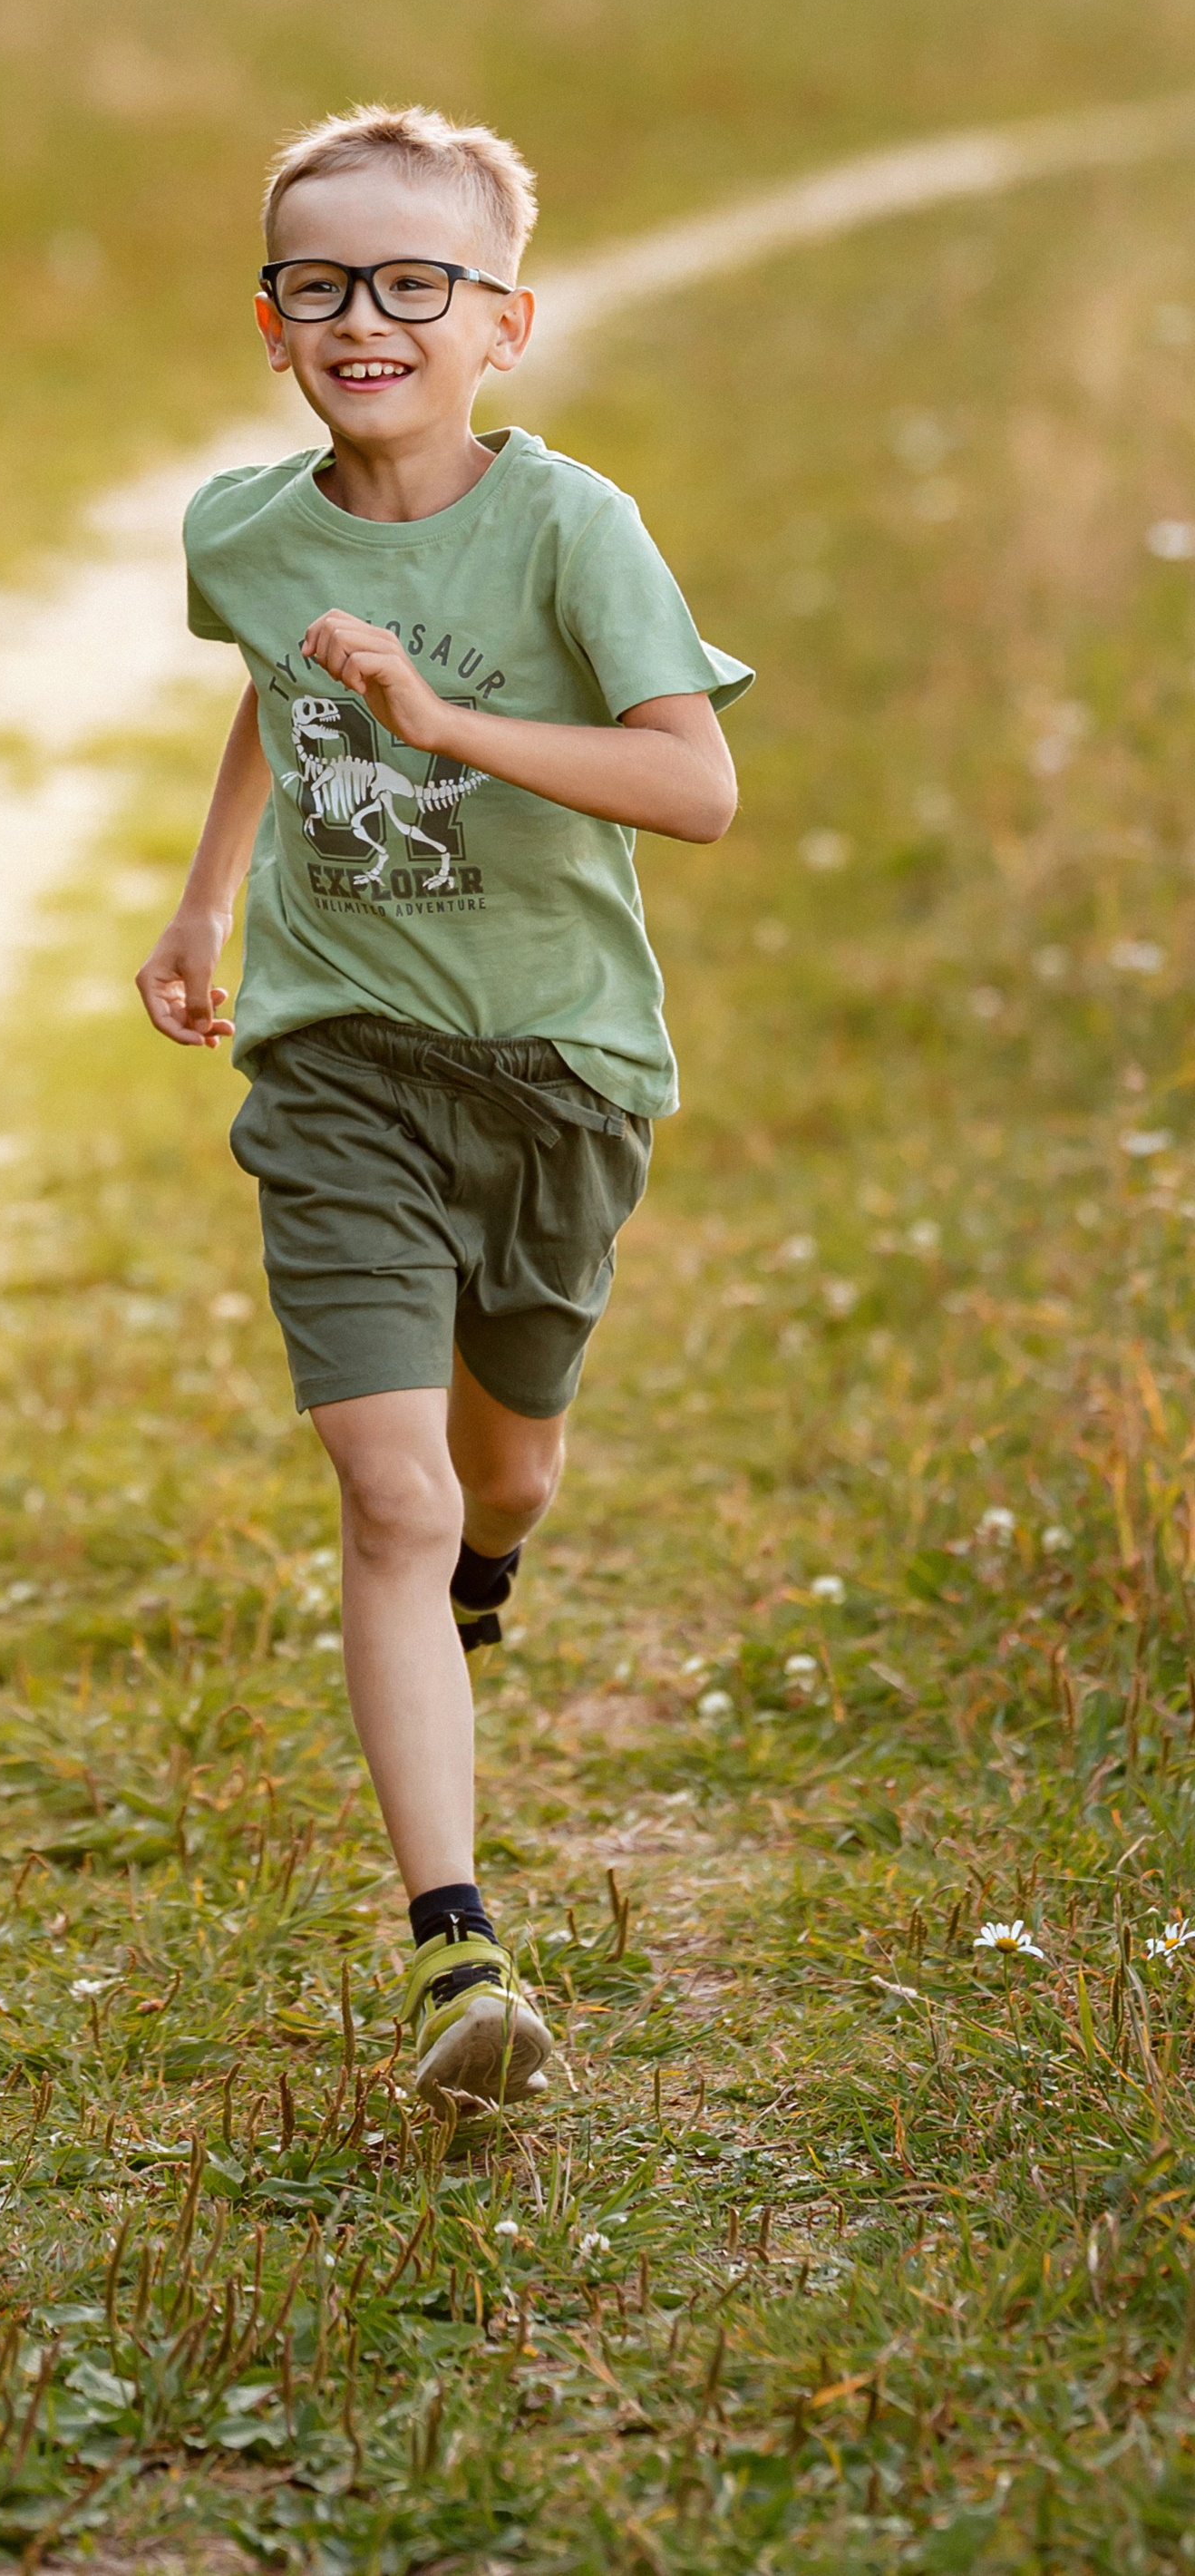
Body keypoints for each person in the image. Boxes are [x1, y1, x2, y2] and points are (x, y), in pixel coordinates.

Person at [135, 105, 749, 2103]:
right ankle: (455, 1960)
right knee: (385, 1492)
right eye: (320, 285)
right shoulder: (239, 526)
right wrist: (206, 890)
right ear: (269, 316)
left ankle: (489, 1583)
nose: (362, 317)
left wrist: (443, 719)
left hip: (560, 1069)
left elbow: (693, 787)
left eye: (413, 284)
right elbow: (267, 676)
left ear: (505, 321)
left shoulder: (573, 528)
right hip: (340, 1060)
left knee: (503, 1484)